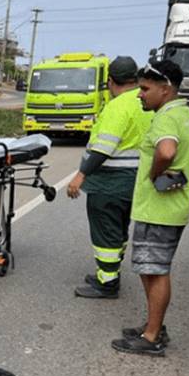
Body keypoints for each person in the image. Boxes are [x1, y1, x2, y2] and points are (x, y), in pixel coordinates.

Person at [111, 60, 189, 356]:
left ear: (165, 90)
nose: (140, 94)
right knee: (151, 269)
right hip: (173, 208)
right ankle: (154, 325)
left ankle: (151, 338)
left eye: (144, 89)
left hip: (157, 209)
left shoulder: (166, 118)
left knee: (156, 271)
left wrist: (154, 174)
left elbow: (166, 151)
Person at [67, 57, 154, 299]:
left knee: (105, 230)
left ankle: (107, 283)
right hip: (135, 180)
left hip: (110, 182)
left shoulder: (118, 106)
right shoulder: (146, 103)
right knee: (118, 229)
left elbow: (103, 148)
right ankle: (110, 272)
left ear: (110, 81)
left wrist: (80, 175)